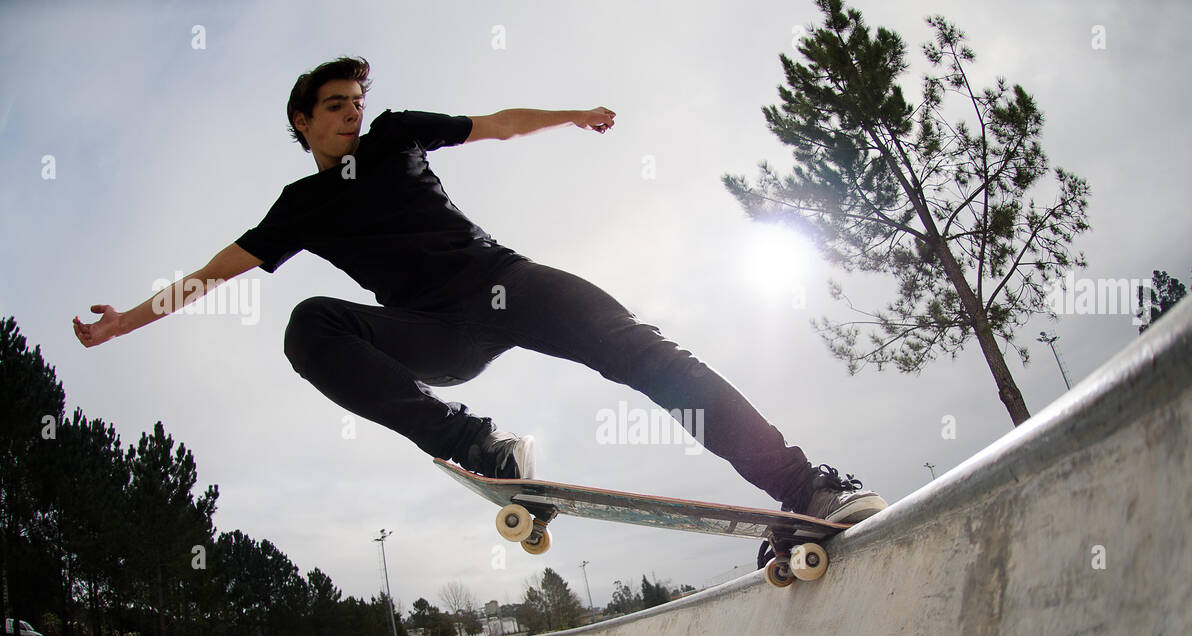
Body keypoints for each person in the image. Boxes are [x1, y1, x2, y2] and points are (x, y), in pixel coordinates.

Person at [73, 56, 886, 524]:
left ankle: (802, 484)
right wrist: (123, 326)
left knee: (640, 350)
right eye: (334, 106)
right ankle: (476, 444)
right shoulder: (299, 208)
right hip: (435, 335)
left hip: (505, 283)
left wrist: (572, 114)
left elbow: (495, 123)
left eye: (356, 100)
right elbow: (215, 273)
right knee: (309, 326)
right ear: (301, 121)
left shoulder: (395, 133)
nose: (353, 114)